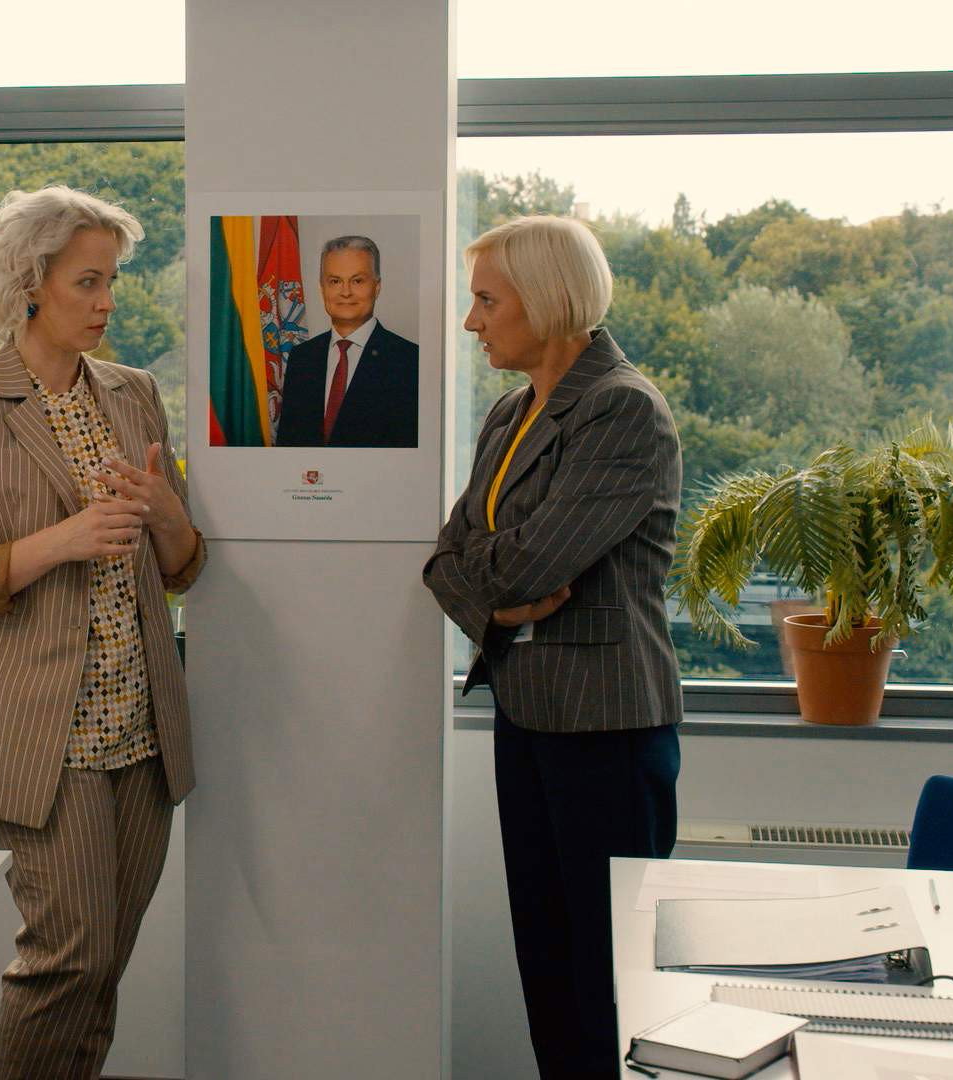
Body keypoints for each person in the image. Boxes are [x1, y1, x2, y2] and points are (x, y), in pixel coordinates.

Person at [0, 185, 206, 1079]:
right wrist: (61, 541)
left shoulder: (134, 394)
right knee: (67, 957)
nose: (108, 302)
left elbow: (183, 567)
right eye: (88, 282)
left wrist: (166, 514)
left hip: (141, 732)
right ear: (31, 282)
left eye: (112, 280)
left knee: (102, 964)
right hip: (41, 739)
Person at [422, 215, 682, 1079]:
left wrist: (491, 579)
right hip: (527, 712)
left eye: (487, 301)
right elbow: (444, 560)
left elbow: (531, 562)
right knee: (546, 963)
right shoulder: (511, 411)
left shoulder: (622, 409)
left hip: (608, 727)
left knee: (608, 981)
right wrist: (501, 609)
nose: (472, 321)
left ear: (547, 299)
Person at [274, 234, 419, 447]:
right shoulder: (302, 358)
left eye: (357, 281)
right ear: (322, 288)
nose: (346, 292)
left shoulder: (410, 361)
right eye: (335, 281)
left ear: (377, 287)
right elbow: (289, 447)